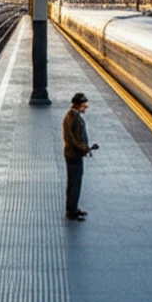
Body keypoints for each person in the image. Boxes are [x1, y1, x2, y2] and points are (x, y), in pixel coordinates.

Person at [62, 92, 99, 221]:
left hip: (72, 153)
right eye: (84, 104)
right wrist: (84, 148)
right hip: (74, 155)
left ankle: (72, 207)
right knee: (75, 183)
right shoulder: (74, 118)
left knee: (73, 182)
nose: (86, 107)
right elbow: (72, 138)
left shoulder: (72, 116)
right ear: (77, 105)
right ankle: (72, 211)